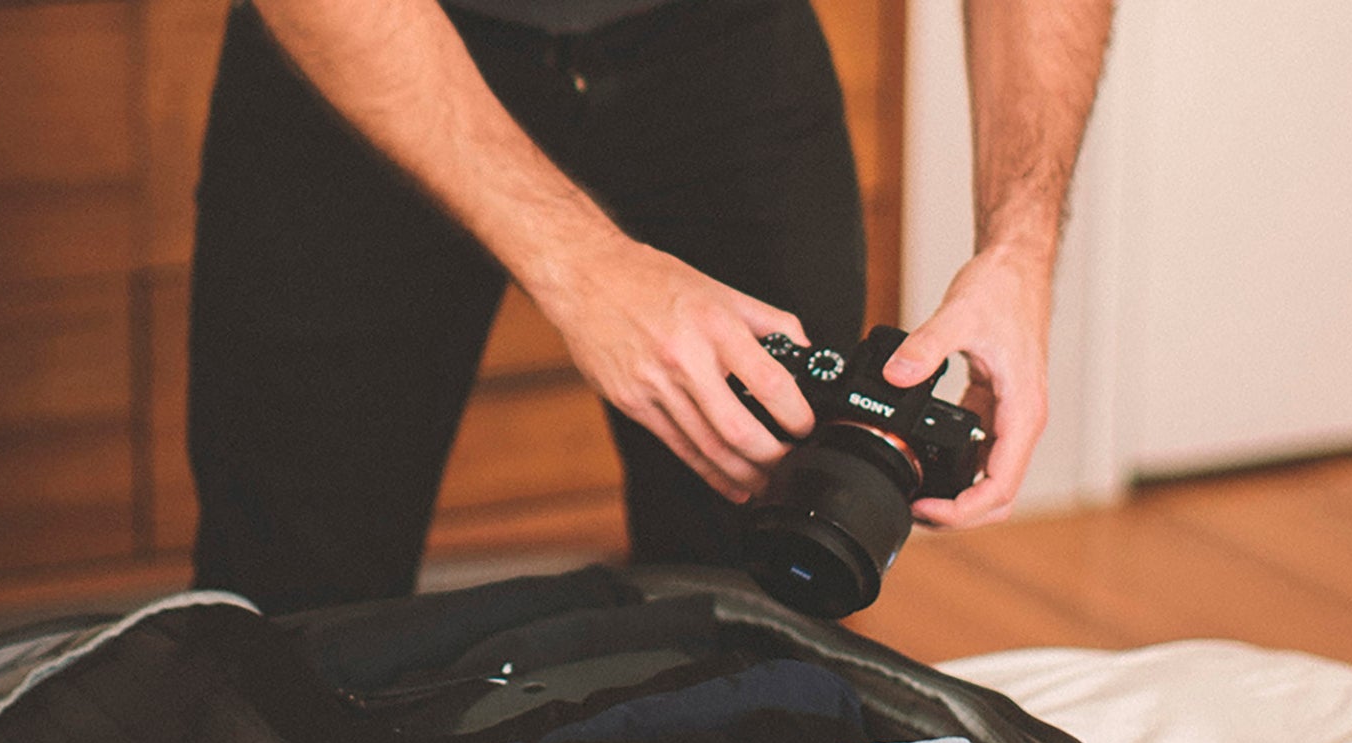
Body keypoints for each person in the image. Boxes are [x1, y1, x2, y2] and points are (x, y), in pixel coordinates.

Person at [188, 0, 1114, 614]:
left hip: (728, 48)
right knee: (289, 608)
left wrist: (1020, 246)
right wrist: (582, 263)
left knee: (766, 605)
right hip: (375, 44)